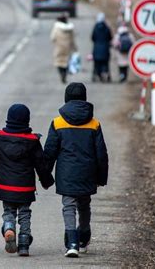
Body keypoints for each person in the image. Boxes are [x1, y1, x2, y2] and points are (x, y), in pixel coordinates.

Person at [43, 82, 109, 257]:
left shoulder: (58, 122)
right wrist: (102, 177)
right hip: (88, 172)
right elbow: (101, 153)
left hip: (67, 173)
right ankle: (84, 234)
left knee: (69, 206)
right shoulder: (94, 124)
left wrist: (45, 174)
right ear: (84, 98)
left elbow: (50, 152)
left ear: (66, 98)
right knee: (84, 204)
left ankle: (72, 242)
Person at [0, 104, 54, 257]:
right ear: (27, 120)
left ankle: (9, 227)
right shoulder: (32, 141)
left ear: (8, 119)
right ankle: (23, 244)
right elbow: (41, 165)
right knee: (25, 213)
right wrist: (47, 181)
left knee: (8, 211)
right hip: (25, 188)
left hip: (5, 186)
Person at [50, 15, 78, 84]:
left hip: (59, 48)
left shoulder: (56, 28)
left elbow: (52, 38)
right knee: (66, 62)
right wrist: (75, 49)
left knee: (59, 62)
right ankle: (64, 74)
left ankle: (61, 74)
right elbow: (72, 40)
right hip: (68, 48)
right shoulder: (70, 29)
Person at [91, 13, 112, 82]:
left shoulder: (95, 27)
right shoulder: (106, 27)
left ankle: (97, 75)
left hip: (96, 49)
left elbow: (92, 37)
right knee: (105, 63)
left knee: (97, 64)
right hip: (105, 49)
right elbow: (110, 37)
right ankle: (105, 74)